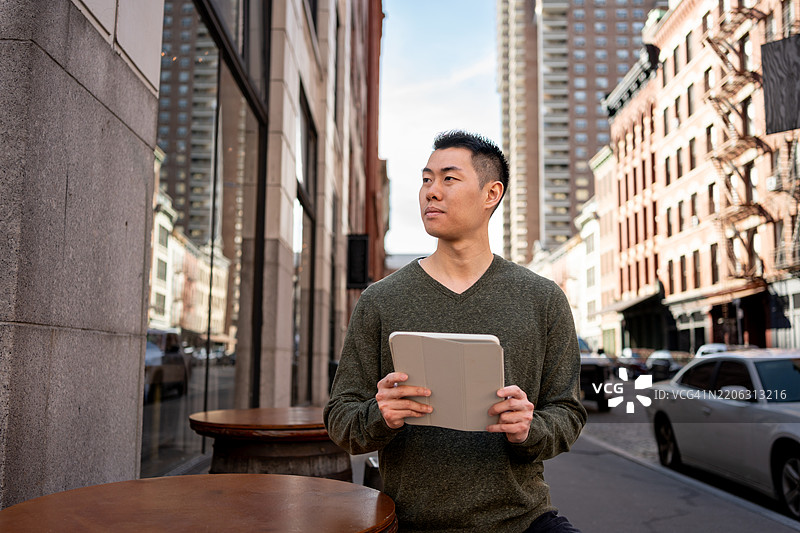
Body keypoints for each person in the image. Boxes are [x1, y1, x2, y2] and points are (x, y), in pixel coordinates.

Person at [324, 130, 587, 532]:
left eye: (449, 178)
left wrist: (529, 429)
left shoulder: (543, 298)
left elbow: (567, 412)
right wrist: (381, 415)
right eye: (426, 179)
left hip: (523, 520)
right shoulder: (381, 300)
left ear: (490, 194)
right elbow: (340, 418)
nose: (431, 191)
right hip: (411, 523)